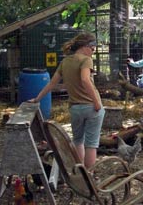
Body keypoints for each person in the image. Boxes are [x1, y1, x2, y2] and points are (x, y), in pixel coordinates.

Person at [29, 33, 104, 169]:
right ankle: (90, 175)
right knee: (91, 144)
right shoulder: (86, 60)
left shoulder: (65, 62)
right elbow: (85, 79)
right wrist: (97, 103)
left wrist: (37, 99)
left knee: (78, 141)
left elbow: (51, 83)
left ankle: (80, 173)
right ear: (85, 46)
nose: (93, 51)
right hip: (91, 107)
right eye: (92, 48)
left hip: (75, 108)